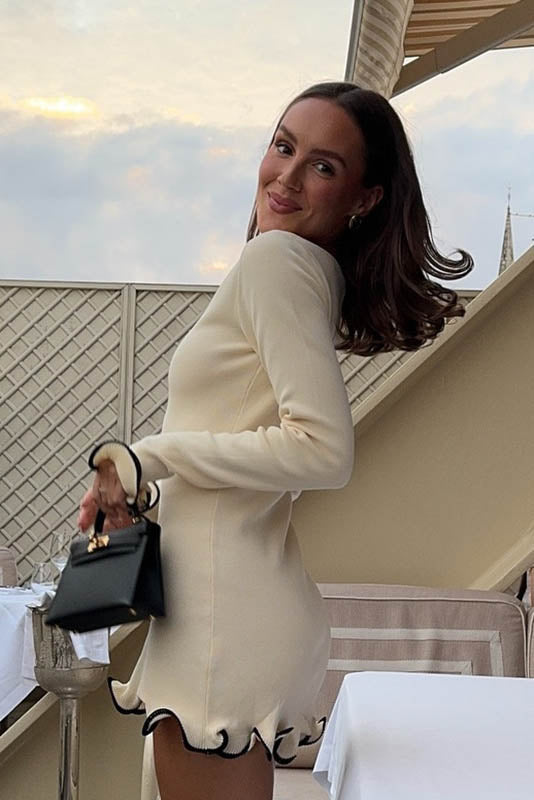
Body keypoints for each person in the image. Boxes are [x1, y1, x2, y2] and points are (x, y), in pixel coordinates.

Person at [78, 81, 473, 800]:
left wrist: (149, 455)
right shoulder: (299, 269)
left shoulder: (277, 264)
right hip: (225, 605)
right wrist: (144, 492)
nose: (286, 176)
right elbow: (244, 451)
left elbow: (321, 450)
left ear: (364, 199)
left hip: (220, 620)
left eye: (322, 165)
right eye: (283, 147)